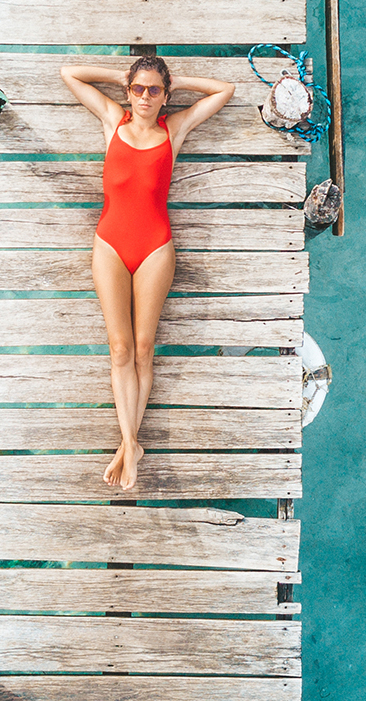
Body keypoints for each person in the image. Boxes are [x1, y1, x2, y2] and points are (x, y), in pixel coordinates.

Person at [59, 55, 235, 491]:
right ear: (127, 91)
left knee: (142, 348)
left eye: (154, 90)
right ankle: (130, 443)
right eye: (137, 89)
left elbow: (224, 91)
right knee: (119, 348)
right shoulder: (111, 120)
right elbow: (69, 74)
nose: (143, 97)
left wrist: (173, 81)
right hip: (110, 245)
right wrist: (122, 75)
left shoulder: (172, 131)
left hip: (155, 247)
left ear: (165, 95)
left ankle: (129, 446)